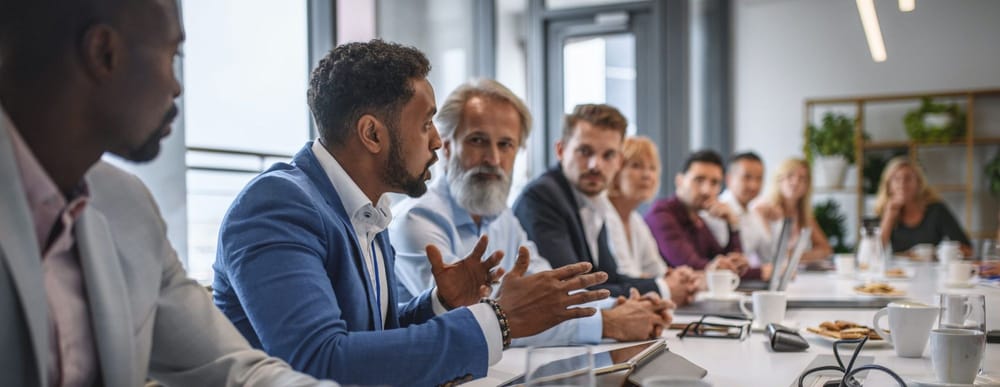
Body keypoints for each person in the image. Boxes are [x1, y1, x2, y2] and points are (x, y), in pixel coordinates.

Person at [212, 40, 609, 387]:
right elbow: (319, 362)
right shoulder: (277, 205)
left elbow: (374, 337)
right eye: (426, 123)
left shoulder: (369, 206)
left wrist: (437, 302)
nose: (438, 141)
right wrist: (498, 319)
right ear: (372, 134)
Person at [0, 0, 338, 386]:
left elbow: (236, 371)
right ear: (103, 53)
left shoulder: (128, 206)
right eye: (172, 54)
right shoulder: (280, 204)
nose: (175, 86)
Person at [391, 80, 672, 345]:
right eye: (477, 140)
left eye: (505, 144)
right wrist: (607, 322)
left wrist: (625, 307)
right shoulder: (418, 219)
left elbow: (549, 291)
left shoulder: (502, 216)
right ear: (449, 147)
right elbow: (470, 321)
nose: (493, 159)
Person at [513, 104, 697, 306]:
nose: (595, 165)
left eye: (608, 155)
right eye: (585, 151)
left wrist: (662, 283)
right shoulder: (542, 197)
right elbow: (575, 288)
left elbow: (607, 277)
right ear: (561, 150)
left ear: (619, 161)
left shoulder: (595, 200)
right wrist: (663, 288)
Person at [605, 136, 699, 304]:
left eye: (652, 168)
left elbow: (657, 270)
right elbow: (624, 277)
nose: (647, 175)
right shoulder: (604, 214)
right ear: (615, 170)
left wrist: (678, 277)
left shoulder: (635, 220)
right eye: (636, 166)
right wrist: (667, 283)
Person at [644, 150, 754, 278]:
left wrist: (733, 225)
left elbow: (727, 263)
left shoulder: (698, 220)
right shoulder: (661, 215)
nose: (706, 190)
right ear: (680, 181)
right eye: (699, 180)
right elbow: (690, 264)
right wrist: (759, 272)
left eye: (714, 183)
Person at [874, 156, 971, 255]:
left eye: (908, 178)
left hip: (932, 268)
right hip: (899, 270)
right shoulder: (885, 211)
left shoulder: (937, 210)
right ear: (888, 186)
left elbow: (968, 249)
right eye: (896, 179)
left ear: (919, 183)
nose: (902, 184)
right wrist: (889, 218)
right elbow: (874, 254)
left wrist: (936, 252)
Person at [704, 152, 775, 278]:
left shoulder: (753, 213)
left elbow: (769, 256)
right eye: (747, 177)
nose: (754, 185)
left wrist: (769, 222)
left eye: (759, 178)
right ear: (729, 179)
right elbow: (728, 262)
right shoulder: (716, 213)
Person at [754, 158, 833, 263]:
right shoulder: (764, 210)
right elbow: (769, 253)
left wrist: (794, 256)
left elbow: (826, 249)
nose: (795, 182)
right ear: (779, 180)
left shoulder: (804, 216)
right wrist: (803, 256)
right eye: (790, 176)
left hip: (796, 275)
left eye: (802, 178)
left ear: (807, 186)